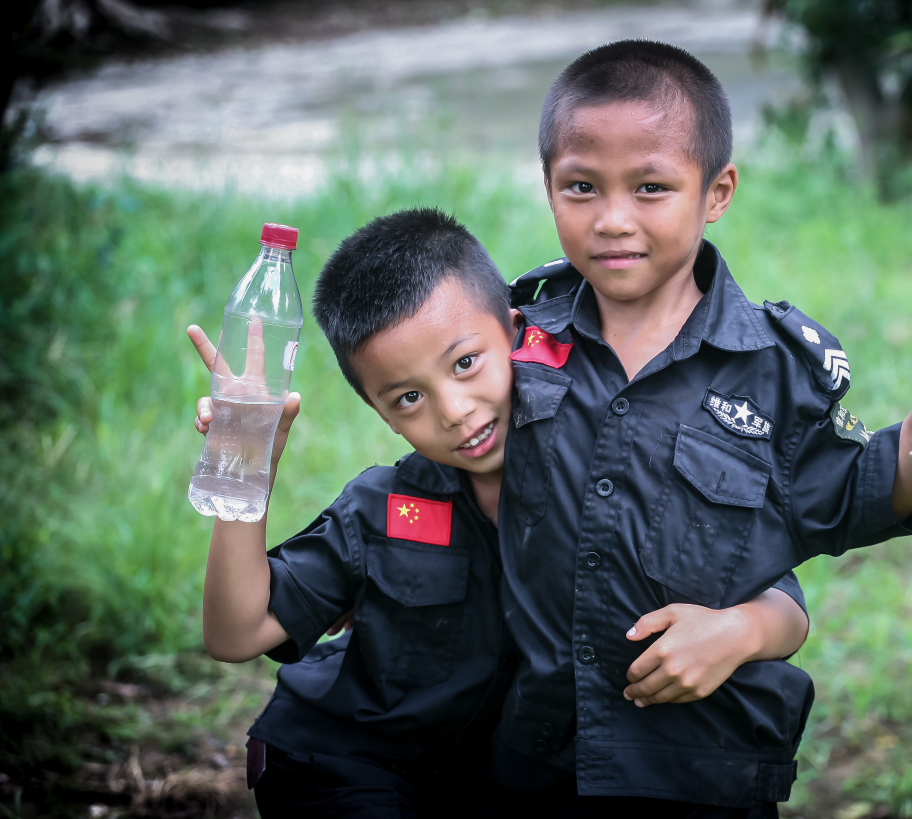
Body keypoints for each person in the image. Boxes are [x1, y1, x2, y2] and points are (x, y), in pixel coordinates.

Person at [488, 40, 912, 816]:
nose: (612, 219)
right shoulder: (511, 340)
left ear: (717, 192)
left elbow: (859, 497)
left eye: (650, 187)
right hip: (529, 762)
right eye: (581, 186)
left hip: (704, 771)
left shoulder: (776, 369)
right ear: (548, 185)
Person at [187, 208, 812, 817]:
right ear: (381, 414)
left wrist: (737, 633)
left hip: (497, 778)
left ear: (515, 334)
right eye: (408, 398)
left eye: (465, 363)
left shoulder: (614, 471)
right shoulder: (386, 510)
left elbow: (776, 598)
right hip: (351, 764)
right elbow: (236, 633)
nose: (454, 410)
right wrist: (244, 466)